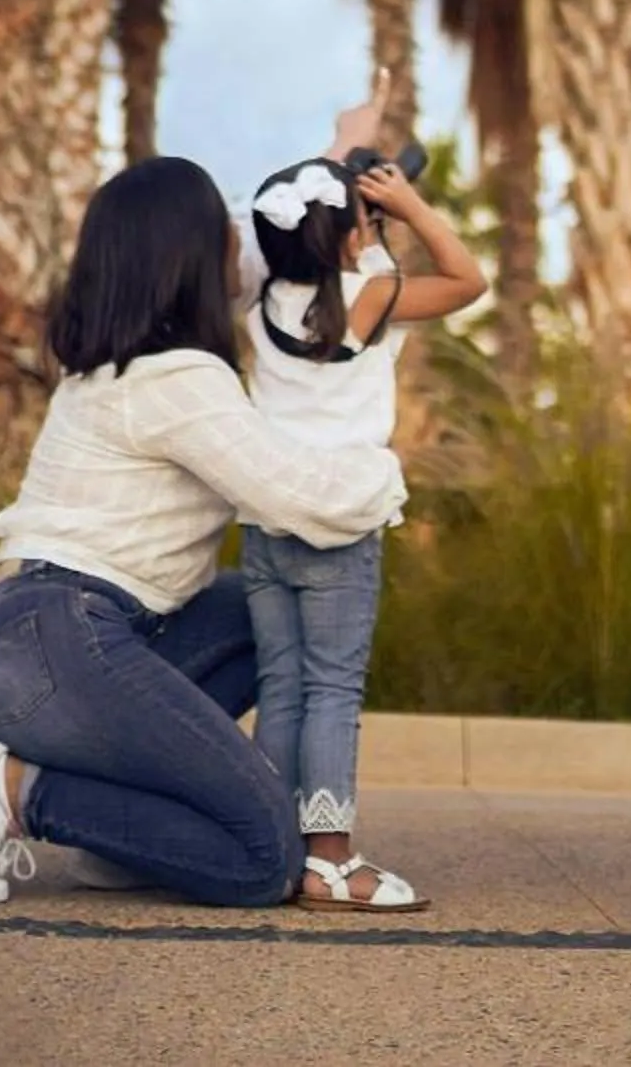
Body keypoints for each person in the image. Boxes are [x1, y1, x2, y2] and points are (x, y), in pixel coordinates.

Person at [0, 118, 405, 912]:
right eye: (221, 225)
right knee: (263, 857)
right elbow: (300, 496)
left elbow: (290, 241)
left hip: (67, 639)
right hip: (53, 643)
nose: (238, 238)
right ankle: (19, 792)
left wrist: (337, 155)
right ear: (187, 256)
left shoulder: (136, 360)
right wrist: (386, 478)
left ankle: (113, 832)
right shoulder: (176, 378)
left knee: (271, 611)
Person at [241, 151, 486, 910]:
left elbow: (338, 254)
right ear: (349, 236)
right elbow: (468, 281)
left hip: (268, 517)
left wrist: (355, 193)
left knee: (282, 689)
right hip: (341, 526)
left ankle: (272, 848)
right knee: (333, 689)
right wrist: (408, 205)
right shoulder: (370, 297)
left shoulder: (261, 309)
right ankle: (332, 861)